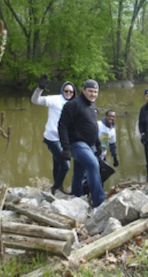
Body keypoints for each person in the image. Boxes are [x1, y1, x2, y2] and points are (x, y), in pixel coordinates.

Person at [58, 79, 105, 207]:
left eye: (95, 92)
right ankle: (100, 202)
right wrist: (66, 148)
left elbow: (93, 127)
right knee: (92, 164)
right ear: (83, 90)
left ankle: (77, 197)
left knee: (79, 171)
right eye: (90, 91)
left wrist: (98, 145)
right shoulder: (73, 105)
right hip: (76, 143)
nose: (93, 94)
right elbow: (62, 126)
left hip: (89, 145)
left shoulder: (93, 107)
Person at [31, 74, 76, 196]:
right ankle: (55, 187)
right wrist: (39, 89)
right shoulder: (55, 99)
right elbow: (35, 101)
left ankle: (59, 185)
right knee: (65, 166)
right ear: (62, 91)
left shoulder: (74, 104)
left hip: (65, 139)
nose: (68, 93)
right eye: (66, 91)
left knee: (57, 163)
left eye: (71, 92)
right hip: (52, 138)